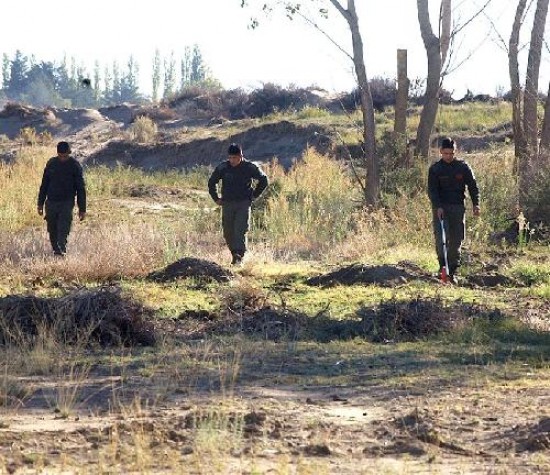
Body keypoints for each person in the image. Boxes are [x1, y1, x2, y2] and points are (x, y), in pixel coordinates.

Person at [428, 137, 480, 284]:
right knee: (441, 240)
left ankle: (453, 271)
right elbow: (432, 191)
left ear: (454, 152)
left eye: (451, 153)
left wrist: (476, 204)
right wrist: (437, 206)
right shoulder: (435, 169)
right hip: (441, 209)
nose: (448, 156)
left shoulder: (463, 167)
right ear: (440, 152)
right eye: (445, 153)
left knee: (456, 240)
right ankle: (442, 268)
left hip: (458, 207)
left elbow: (473, 186)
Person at [208, 143, 268, 265]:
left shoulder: (250, 167)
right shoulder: (223, 167)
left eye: (235, 158)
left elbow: (264, 180)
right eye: (230, 157)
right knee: (228, 232)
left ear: (241, 156)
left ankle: (239, 256)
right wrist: (216, 198)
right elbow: (212, 182)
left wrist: (254, 195)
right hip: (227, 203)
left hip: (243, 203)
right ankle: (234, 254)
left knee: (240, 229)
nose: (232, 160)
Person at [37, 141, 86, 256]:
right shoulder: (51, 164)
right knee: (52, 229)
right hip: (51, 202)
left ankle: (61, 253)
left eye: (65, 156)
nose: (62, 158)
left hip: (66, 202)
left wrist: (82, 209)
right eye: (60, 156)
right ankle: (56, 252)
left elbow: (80, 188)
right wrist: (40, 203)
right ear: (57, 153)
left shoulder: (74, 166)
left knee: (63, 229)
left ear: (69, 153)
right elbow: (44, 184)